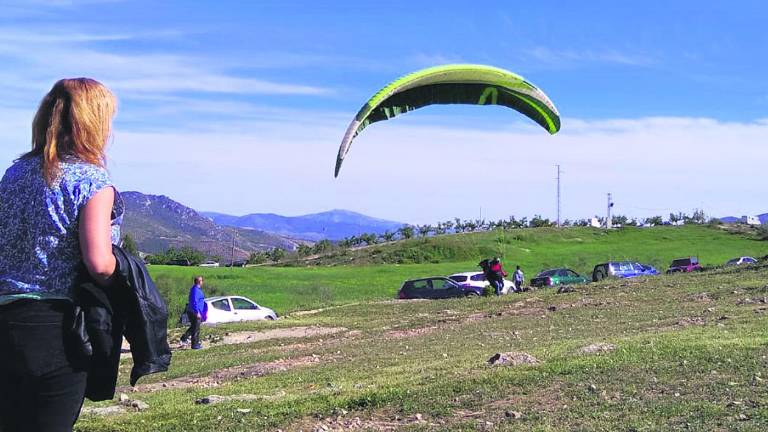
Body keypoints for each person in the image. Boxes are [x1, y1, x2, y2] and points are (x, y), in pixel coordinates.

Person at [0, 78, 122, 432]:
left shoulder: (13, 174)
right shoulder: (92, 182)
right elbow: (99, 263)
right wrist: (127, 270)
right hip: (55, 329)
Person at [180, 276, 206, 349]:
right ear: (199, 282)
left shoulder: (196, 289)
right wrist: (197, 312)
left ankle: (184, 338)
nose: (203, 282)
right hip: (194, 312)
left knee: (194, 327)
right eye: (202, 280)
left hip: (194, 311)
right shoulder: (195, 290)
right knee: (196, 329)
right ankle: (195, 345)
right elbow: (195, 302)